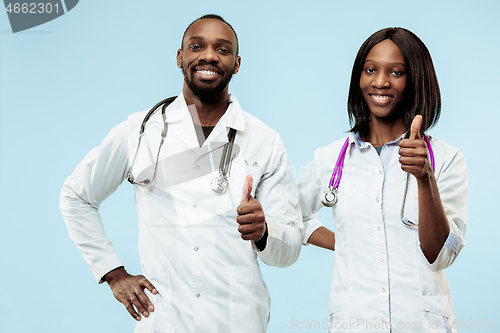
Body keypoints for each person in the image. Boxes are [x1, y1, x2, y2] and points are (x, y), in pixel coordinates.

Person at [60, 14, 303, 333]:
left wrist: (264, 231)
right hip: (164, 320)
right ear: (180, 57)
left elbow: (291, 248)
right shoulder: (140, 131)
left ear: (237, 63)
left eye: (222, 49)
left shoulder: (264, 140)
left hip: (237, 320)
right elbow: (76, 196)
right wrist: (113, 273)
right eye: (197, 46)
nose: (209, 56)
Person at [298, 28, 467, 332]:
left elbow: (440, 255)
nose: (380, 81)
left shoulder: (446, 159)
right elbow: (291, 216)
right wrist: (347, 243)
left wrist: (424, 177)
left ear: (415, 79)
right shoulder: (329, 158)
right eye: (371, 69)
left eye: (396, 72)